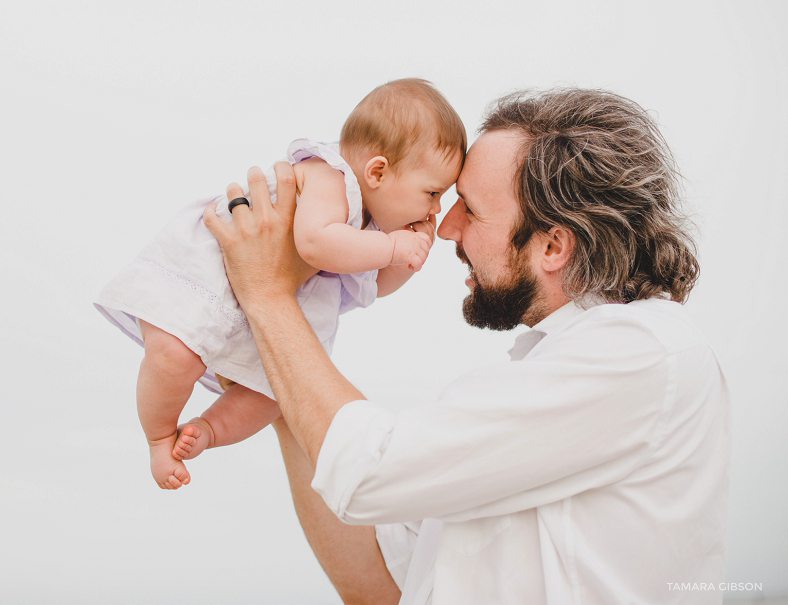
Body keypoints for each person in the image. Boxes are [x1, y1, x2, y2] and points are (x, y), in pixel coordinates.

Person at [204, 88, 730, 604]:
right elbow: (383, 587)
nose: (447, 228)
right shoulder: (568, 370)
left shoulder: (640, 352)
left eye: (471, 210)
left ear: (552, 245)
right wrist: (275, 378)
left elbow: (369, 473)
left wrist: (269, 296)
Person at [95, 78, 466, 490]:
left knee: (277, 396)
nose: (436, 208)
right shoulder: (331, 178)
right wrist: (394, 246)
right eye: (432, 192)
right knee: (175, 356)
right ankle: (159, 435)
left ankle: (210, 430)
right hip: (214, 280)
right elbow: (314, 244)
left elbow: (375, 286)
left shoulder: (369, 225)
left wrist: (408, 260)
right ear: (377, 171)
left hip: (272, 303)